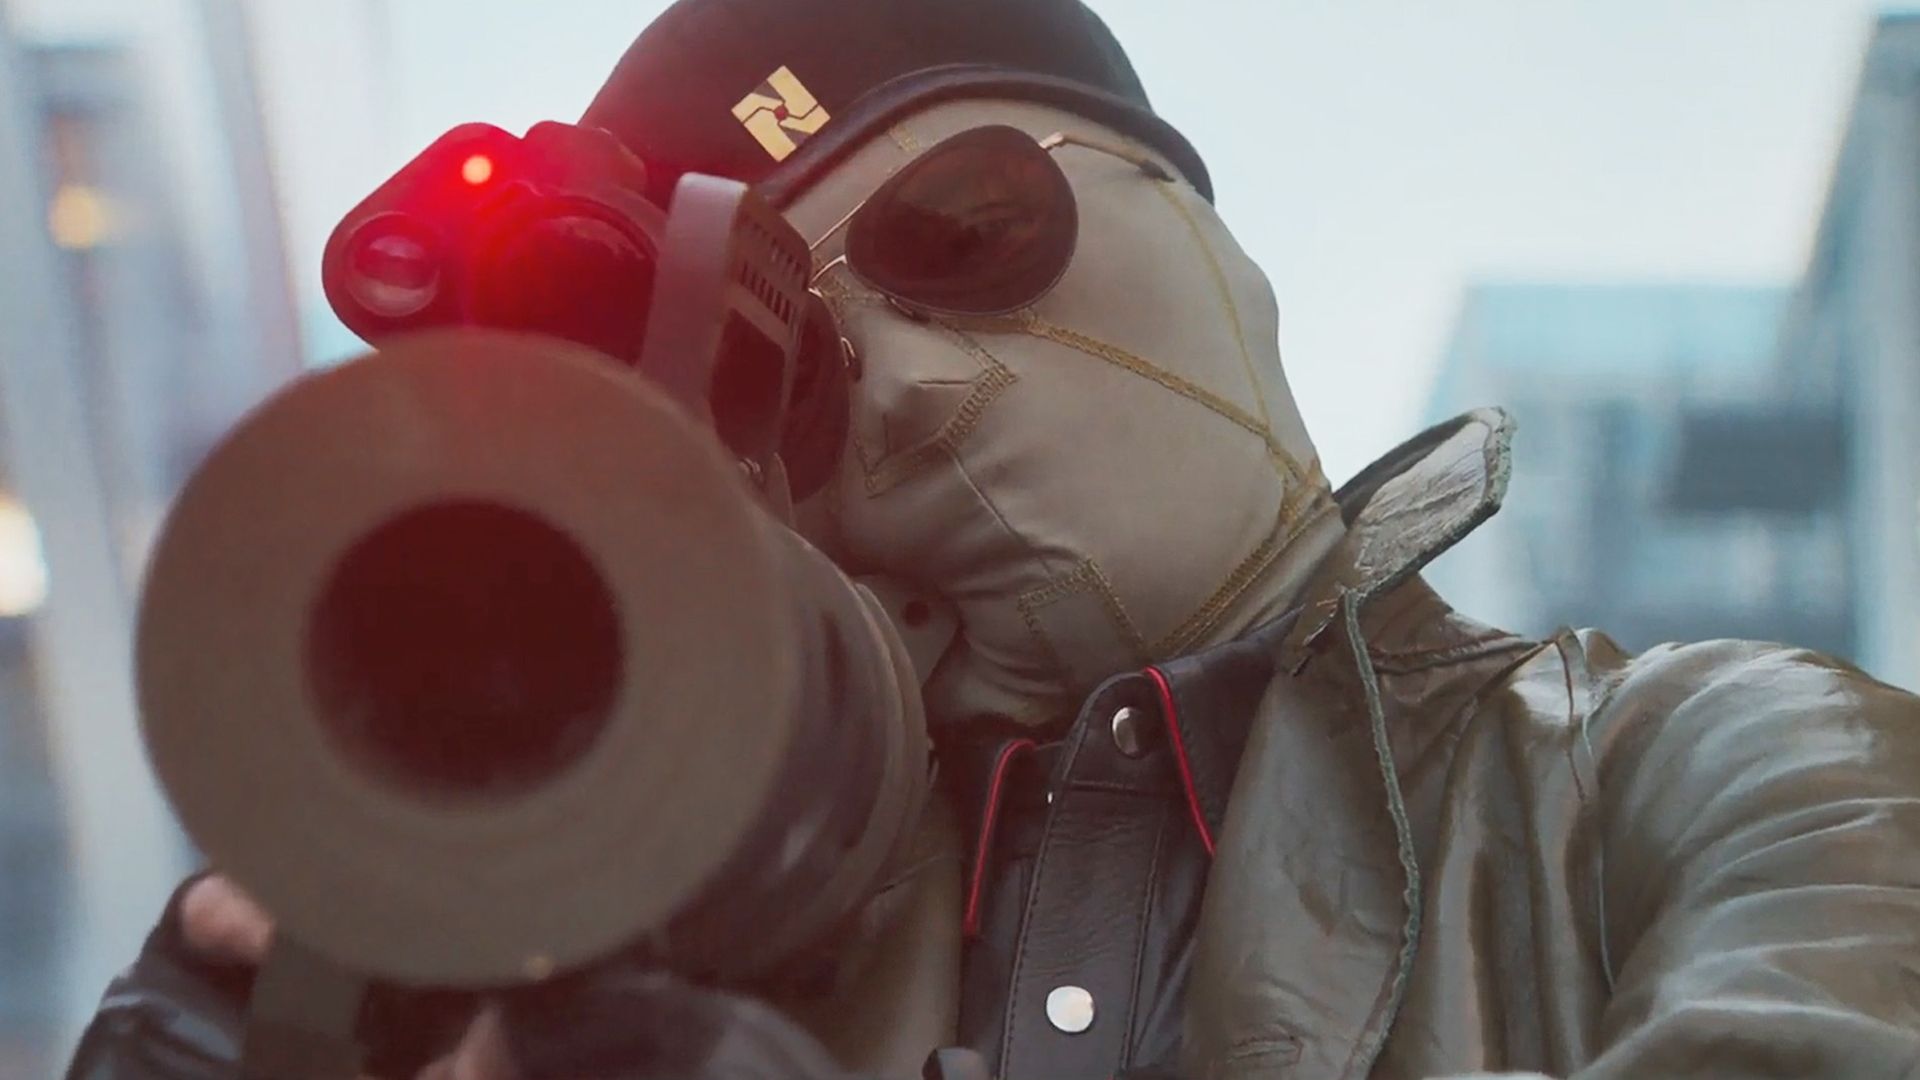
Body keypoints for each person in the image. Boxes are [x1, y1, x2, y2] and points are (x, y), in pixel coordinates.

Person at [67, 0, 1920, 1077]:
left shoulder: (1723, 773)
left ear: (1200, 239)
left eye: (963, 234)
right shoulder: (617, 964)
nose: (909, 389)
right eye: (793, 378)